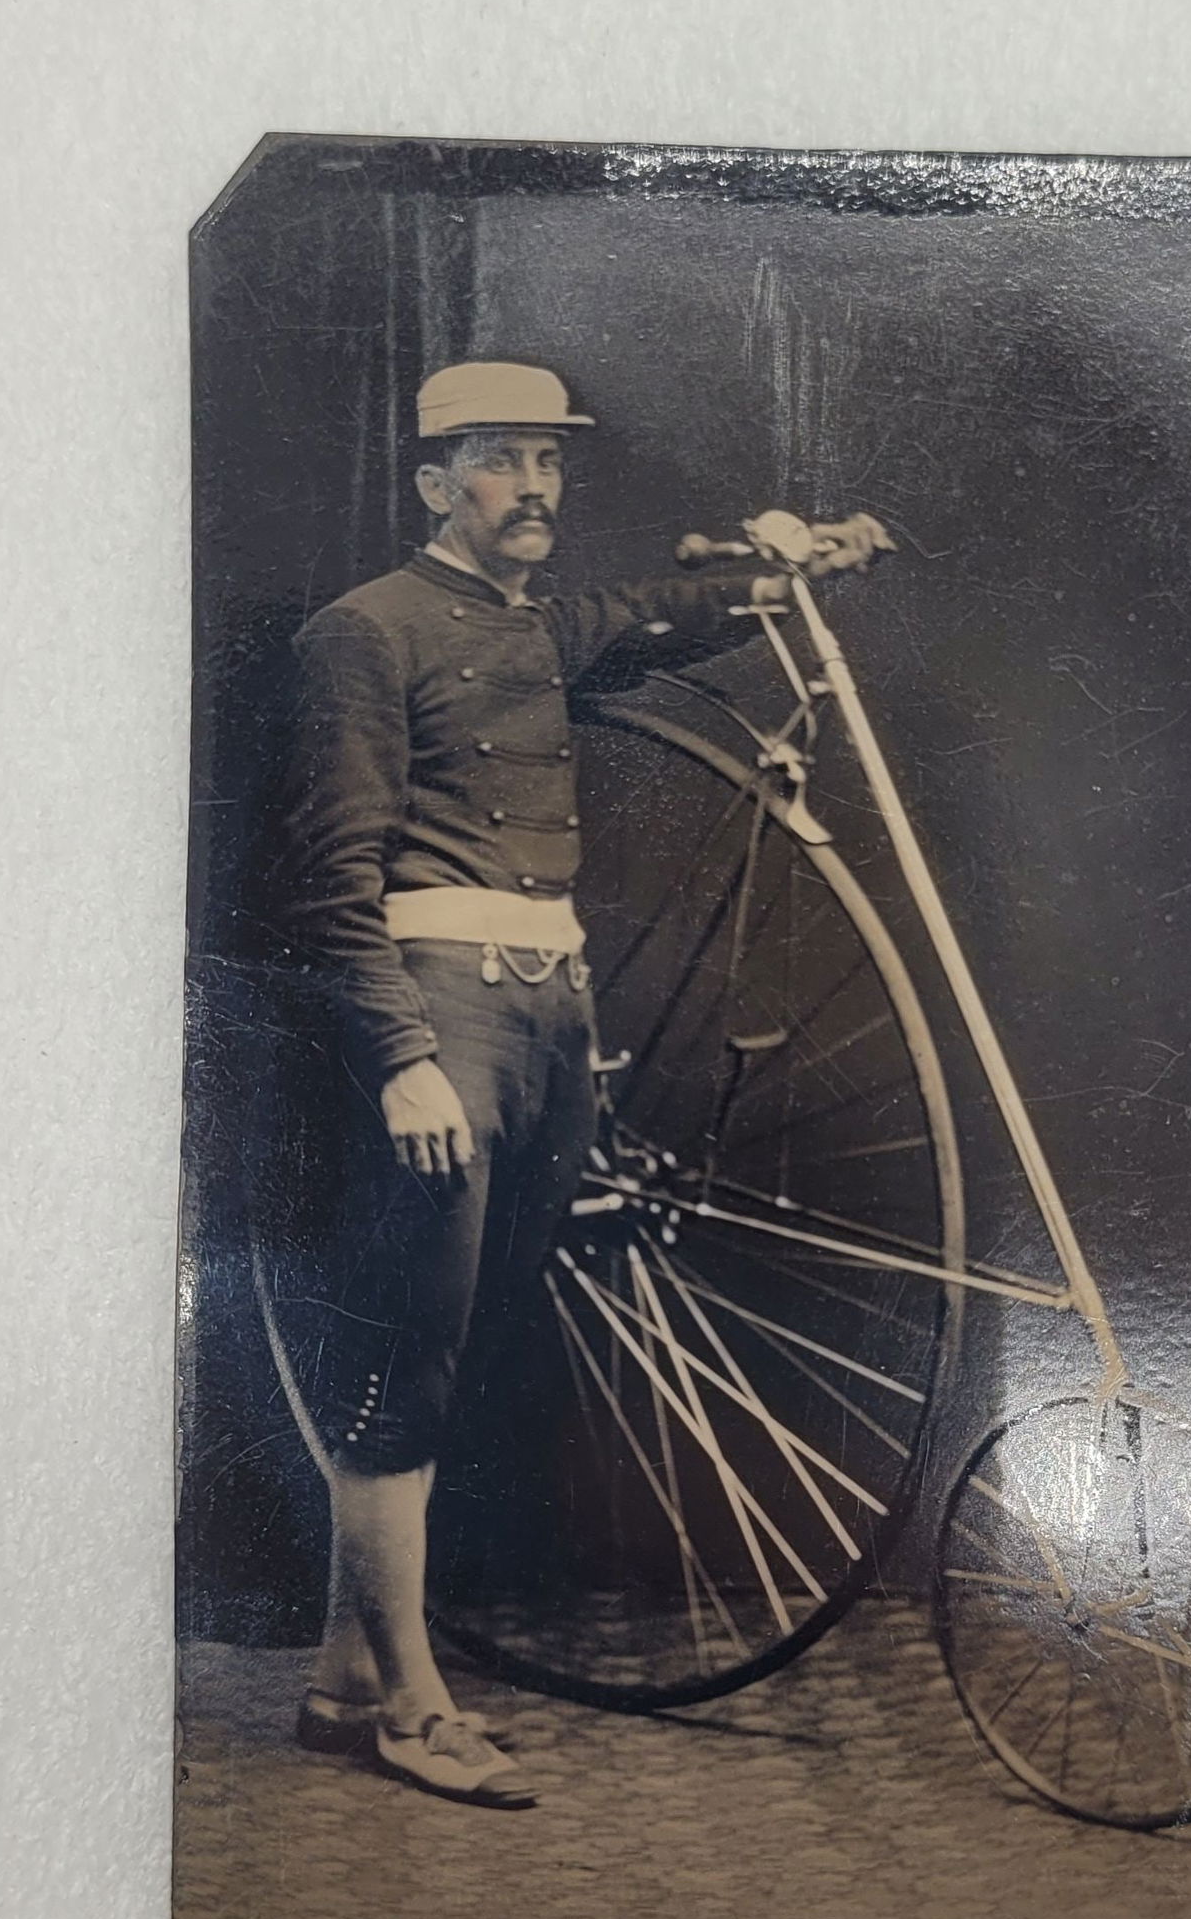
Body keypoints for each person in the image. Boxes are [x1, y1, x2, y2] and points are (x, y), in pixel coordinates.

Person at [278, 359, 892, 1806]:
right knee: (410, 1351)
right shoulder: (362, 636)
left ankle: (336, 1673)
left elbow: (659, 618)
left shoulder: (540, 628)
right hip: (444, 1021)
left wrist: (786, 565)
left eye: (551, 466)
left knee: (469, 1335)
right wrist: (404, 1061)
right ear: (437, 484)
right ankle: (412, 1709)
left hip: (553, 1015)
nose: (536, 489)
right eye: (503, 463)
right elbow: (330, 886)